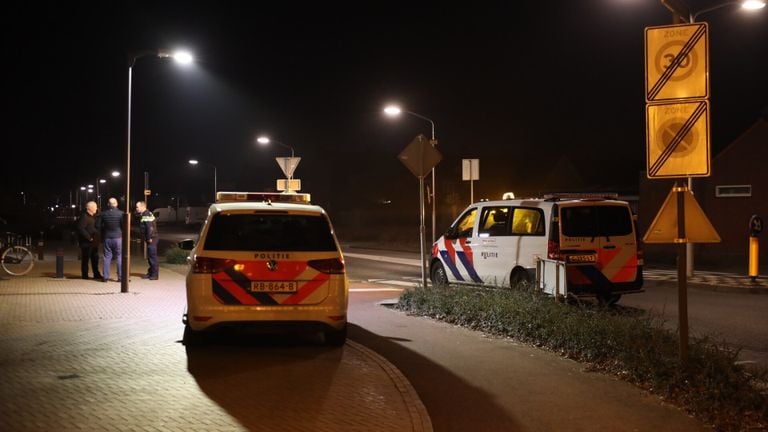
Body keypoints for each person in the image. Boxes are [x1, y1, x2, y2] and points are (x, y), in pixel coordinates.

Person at [99, 197, 124, 282]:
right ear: (116, 204)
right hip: (118, 238)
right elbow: (124, 226)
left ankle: (105, 277)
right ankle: (120, 277)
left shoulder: (103, 214)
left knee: (107, 257)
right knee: (119, 256)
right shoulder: (121, 214)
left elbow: (98, 226)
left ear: (108, 204)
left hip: (107, 237)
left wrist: (104, 230)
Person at [76, 201, 102, 280]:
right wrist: (89, 237)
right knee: (85, 259)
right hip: (86, 243)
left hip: (93, 242)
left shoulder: (93, 216)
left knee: (95, 259)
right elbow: (80, 228)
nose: (96, 208)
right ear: (90, 208)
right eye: (95, 207)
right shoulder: (84, 217)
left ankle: (96, 274)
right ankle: (85, 275)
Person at [135, 201, 159, 280]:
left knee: (152, 257)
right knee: (150, 257)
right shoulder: (147, 213)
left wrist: (149, 238)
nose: (136, 209)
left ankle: (154, 275)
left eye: (137, 207)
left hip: (152, 238)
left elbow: (150, 227)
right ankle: (151, 272)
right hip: (152, 238)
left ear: (142, 206)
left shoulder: (146, 214)